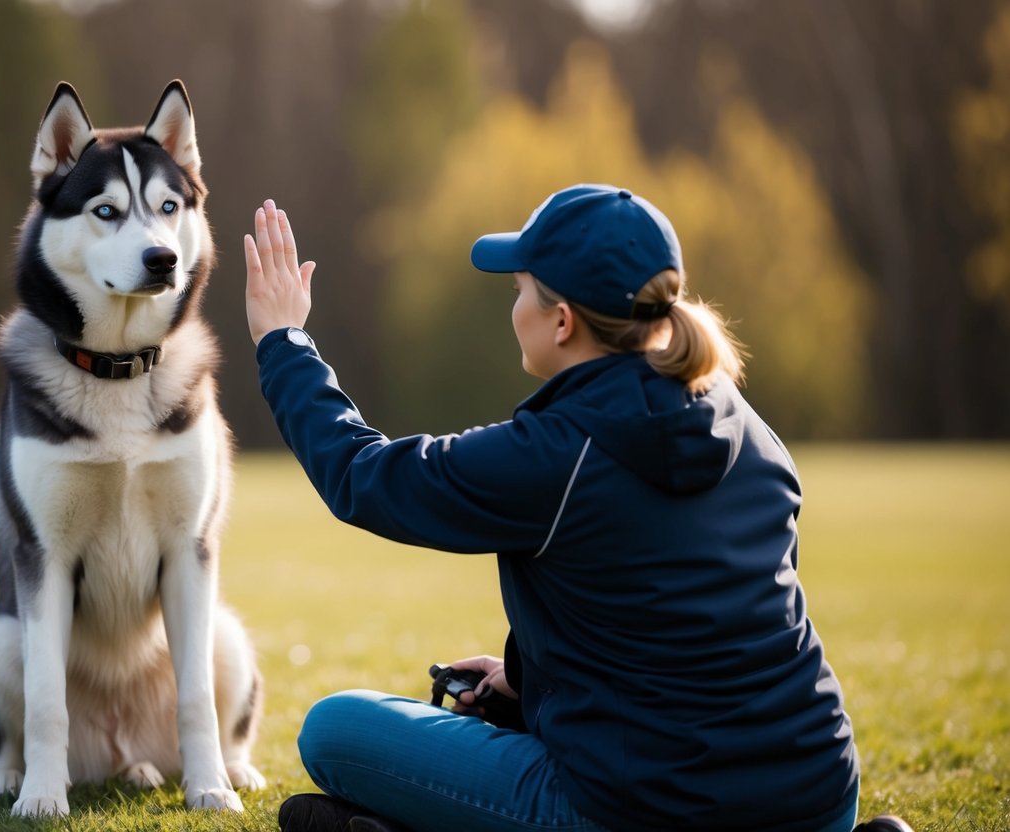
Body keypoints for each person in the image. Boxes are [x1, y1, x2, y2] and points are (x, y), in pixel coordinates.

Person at [243, 185, 906, 832]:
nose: (513, 306)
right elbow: (693, 625)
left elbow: (365, 476)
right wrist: (521, 680)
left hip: (640, 809)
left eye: (518, 289)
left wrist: (282, 342)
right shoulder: (746, 425)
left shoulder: (554, 454)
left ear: (561, 321)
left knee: (335, 730)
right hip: (819, 798)